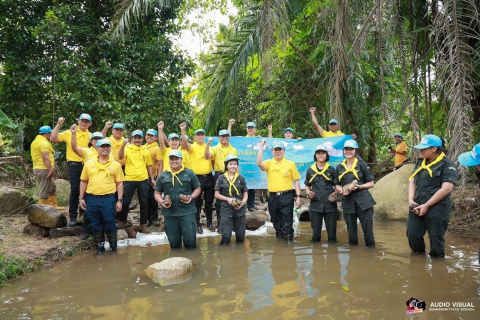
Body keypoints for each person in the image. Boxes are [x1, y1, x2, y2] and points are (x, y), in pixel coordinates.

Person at [407, 134, 458, 258]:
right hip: (418, 204)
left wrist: (427, 205)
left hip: (437, 207)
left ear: (434, 149)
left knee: (436, 239)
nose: (420, 151)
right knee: (412, 234)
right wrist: (411, 201)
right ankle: (418, 263)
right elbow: (413, 182)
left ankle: (438, 268)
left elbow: (446, 189)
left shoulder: (447, 165)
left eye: (423, 148)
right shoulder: (420, 162)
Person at [79, 139, 124, 254]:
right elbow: (84, 181)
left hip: (108, 199)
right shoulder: (89, 164)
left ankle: (114, 250)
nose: (105, 149)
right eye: (102, 146)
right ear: (97, 148)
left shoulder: (116, 165)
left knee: (110, 223)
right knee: (95, 224)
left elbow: (119, 183)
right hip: (91, 198)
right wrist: (81, 198)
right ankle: (100, 250)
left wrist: (119, 200)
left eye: (107, 146)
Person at [51, 114, 92, 226]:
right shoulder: (70, 132)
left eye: (86, 122)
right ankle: (73, 217)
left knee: (87, 190)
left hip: (88, 165)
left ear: (90, 124)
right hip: (74, 164)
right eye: (82, 121)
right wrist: (59, 124)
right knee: (75, 190)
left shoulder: (90, 135)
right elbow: (53, 138)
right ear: (78, 121)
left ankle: (83, 216)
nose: (84, 123)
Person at [154, 149, 201, 249]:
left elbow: (197, 188)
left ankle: (192, 262)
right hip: (170, 214)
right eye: (172, 159)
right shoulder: (163, 175)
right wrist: (161, 201)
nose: (174, 161)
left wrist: (191, 197)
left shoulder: (189, 173)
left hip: (187, 212)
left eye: (177, 159)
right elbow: (157, 192)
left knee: (190, 243)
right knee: (174, 244)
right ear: (169, 160)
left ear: (181, 159)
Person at [257, 140, 301, 241]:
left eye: (280, 149)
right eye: (275, 150)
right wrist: (261, 146)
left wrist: (298, 197)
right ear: (272, 151)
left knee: (287, 225)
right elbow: (259, 163)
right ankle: (279, 250)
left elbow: (296, 182)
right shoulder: (269, 163)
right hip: (272, 197)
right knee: (276, 224)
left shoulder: (290, 164)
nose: (278, 152)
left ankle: (289, 250)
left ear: (284, 151)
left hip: (287, 196)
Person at [334, 140, 376, 247]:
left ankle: (370, 253)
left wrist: (359, 186)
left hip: (363, 201)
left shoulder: (362, 164)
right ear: (343, 151)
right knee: (351, 231)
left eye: (351, 149)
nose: (348, 152)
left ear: (355, 151)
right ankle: (353, 255)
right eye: (346, 149)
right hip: (347, 201)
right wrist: (342, 191)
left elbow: (371, 183)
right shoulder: (339, 167)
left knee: (368, 230)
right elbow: (336, 184)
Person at [117, 130, 156, 233]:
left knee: (144, 203)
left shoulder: (145, 151)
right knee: (125, 202)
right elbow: (120, 157)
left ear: (142, 139)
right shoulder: (127, 149)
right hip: (129, 179)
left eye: (139, 138)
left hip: (143, 179)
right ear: (132, 139)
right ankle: (122, 221)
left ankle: (143, 224)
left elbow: (149, 166)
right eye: (135, 138)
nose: (137, 140)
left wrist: (152, 179)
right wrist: (123, 144)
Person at [183, 126, 215, 233]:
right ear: (195, 137)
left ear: (205, 136)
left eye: (202, 135)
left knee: (209, 201)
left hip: (209, 177)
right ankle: (197, 224)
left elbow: (207, 156)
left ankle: (209, 223)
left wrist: (208, 145)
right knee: (197, 202)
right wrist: (183, 130)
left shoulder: (210, 147)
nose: (200, 136)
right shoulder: (192, 147)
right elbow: (185, 144)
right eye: (198, 135)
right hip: (197, 178)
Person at [205, 129, 238, 233]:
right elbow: (207, 156)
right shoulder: (214, 148)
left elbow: (236, 164)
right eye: (222, 136)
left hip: (232, 174)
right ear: (219, 137)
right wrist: (208, 145)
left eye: (226, 136)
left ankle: (231, 224)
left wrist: (238, 177)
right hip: (219, 174)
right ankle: (220, 225)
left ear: (229, 137)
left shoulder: (233, 149)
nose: (224, 138)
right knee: (219, 200)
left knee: (232, 197)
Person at [304, 144, 338, 242]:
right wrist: (308, 192)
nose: (321, 155)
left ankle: (332, 253)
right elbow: (307, 184)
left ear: (326, 155)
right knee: (315, 235)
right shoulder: (310, 170)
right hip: (315, 204)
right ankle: (316, 254)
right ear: (315, 155)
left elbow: (336, 184)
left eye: (323, 153)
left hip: (330, 204)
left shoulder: (331, 170)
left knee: (332, 235)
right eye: (318, 153)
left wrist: (335, 193)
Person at [214, 154, 248, 244]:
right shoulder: (221, 178)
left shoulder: (241, 178)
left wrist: (243, 203)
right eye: (230, 164)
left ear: (237, 165)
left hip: (240, 208)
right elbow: (216, 194)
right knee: (226, 235)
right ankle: (224, 255)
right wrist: (228, 199)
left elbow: (245, 193)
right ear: (226, 165)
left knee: (240, 235)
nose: (233, 166)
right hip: (226, 207)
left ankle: (240, 255)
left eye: (235, 164)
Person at [30, 126, 64, 209]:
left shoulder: (35, 142)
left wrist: (52, 158)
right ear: (46, 133)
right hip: (44, 169)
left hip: (37, 168)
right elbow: (45, 158)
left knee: (52, 187)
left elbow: (41, 156)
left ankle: (53, 205)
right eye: (50, 133)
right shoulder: (43, 143)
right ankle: (41, 209)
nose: (51, 134)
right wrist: (50, 170)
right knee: (44, 190)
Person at [229, 119, 259, 212]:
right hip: (243, 167)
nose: (250, 129)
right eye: (249, 128)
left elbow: (271, 142)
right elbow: (229, 138)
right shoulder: (241, 139)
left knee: (253, 187)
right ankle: (241, 204)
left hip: (254, 167)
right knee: (241, 186)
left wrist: (269, 132)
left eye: (252, 128)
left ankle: (251, 205)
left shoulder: (258, 139)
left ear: (255, 129)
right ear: (246, 129)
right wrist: (230, 125)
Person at [144, 128, 161, 227]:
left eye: (152, 136)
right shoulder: (143, 147)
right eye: (148, 135)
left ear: (156, 138)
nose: (149, 137)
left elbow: (160, 164)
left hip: (153, 176)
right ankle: (147, 218)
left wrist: (157, 178)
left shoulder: (157, 148)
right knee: (145, 198)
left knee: (152, 197)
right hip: (143, 176)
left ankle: (154, 218)